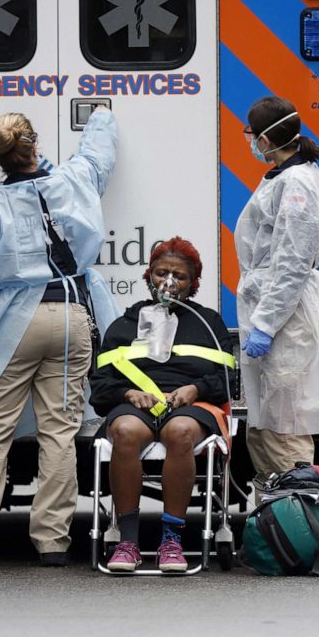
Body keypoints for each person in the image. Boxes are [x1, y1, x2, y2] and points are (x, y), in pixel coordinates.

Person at [0, 106, 119, 568]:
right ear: (34, 144)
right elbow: (98, 154)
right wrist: (101, 114)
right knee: (59, 432)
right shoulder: (74, 181)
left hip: (15, 322)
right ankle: (53, 541)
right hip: (71, 316)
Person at [89, 237, 236, 572]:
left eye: (179, 276)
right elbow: (99, 388)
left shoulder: (208, 324)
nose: (168, 282)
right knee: (124, 430)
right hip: (136, 407)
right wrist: (128, 395)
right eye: (161, 273)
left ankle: (172, 539)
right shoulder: (124, 324)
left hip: (191, 407)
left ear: (193, 283)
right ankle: (127, 542)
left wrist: (195, 389)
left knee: (180, 431)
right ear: (149, 276)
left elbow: (229, 381)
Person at [234, 95, 319, 501]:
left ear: (265, 138)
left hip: (284, 317)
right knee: (265, 424)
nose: (249, 141)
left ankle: (298, 515)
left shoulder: (296, 184)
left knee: (286, 423)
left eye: (250, 133)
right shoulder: (287, 176)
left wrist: (265, 324)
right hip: (271, 309)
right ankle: (273, 517)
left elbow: (292, 262)